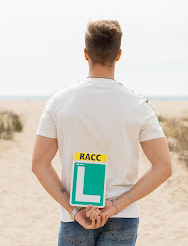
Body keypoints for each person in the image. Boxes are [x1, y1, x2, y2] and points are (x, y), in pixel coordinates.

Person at [32, 20, 172, 246]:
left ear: (86, 54)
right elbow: (163, 167)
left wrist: (73, 209)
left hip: (76, 217)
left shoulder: (59, 102)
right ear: (118, 55)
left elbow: (39, 164)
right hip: (122, 217)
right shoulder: (139, 106)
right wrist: (117, 204)